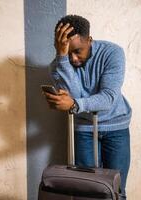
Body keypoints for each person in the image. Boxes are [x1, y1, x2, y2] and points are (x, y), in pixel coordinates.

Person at [43, 14, 132, 200]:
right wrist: (62, 57)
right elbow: (73, 93)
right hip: (83, 128)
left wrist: (74, 104)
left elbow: (108, 98)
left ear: (89, 40)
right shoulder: (59, 65)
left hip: (116, 127)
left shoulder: (112, 53)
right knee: (86, 191)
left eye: (78, 51)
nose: (73, 59)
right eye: (68, 53)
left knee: (117, 190)